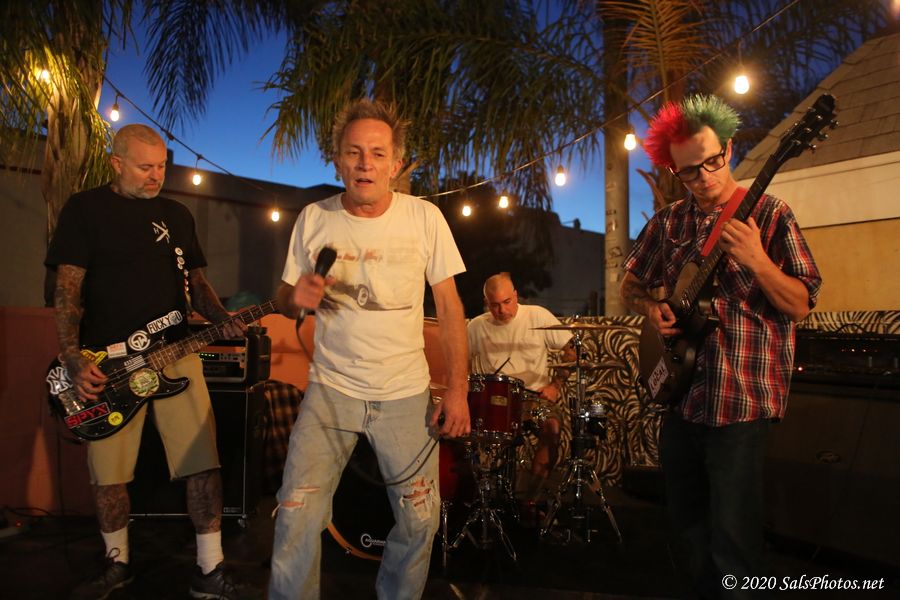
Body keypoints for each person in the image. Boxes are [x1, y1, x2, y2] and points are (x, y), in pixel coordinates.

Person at [620, 95, 822, 599]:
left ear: (728, 149)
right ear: (674, 171)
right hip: (682, 397)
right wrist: (653, 307)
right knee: (688, 532)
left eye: (712, 161)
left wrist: (757, 260)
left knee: (735, 542)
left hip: (741, 402)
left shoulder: (771, 215)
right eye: (689, 171)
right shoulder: (668, 223)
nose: (705, 177)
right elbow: (630, 285)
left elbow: (800, 303)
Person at [269, 98, 469, 600]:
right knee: (296, 512)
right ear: (337, 160)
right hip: (330, 390)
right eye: (354, 152)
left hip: (404, 395)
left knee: (420, 519)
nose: (365, 164)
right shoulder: (314, 217)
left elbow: (449, 307)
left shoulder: (425, 218)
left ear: (395, 164)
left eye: (378, 154)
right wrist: (295, 298)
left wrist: (458, 391)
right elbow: (284, 297)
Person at [44, 124, 248, 600]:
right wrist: (72, 357)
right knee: (109, 473)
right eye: (144, 167)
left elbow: (197, 285)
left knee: (202, 464)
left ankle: (210, 568)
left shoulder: (177, 215)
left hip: (176, 354)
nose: (156, 176)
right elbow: (67, 292)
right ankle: (117, 564)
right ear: (116, 163)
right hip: (109, 365)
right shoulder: (84, 209)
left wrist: (223, 319)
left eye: (161, 167)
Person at [467, 272, 574, 479]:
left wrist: (555, 386)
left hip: (534, 396)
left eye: (507, 302)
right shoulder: (476, 326)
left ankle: (534, 494)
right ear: (486, 303)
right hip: (494, 398)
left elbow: (572, 350)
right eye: (494, 305)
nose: (502, 310)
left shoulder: (537, 315)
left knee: (552, 428)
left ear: (516, 295)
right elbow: (460, 360)